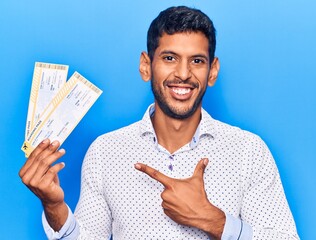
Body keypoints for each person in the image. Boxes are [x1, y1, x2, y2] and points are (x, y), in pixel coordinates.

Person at [19, 6, 299, 240]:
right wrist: (54, 206)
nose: (183, 74)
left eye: (197, 61)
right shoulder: (105, 152)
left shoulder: (248, 151)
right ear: (146, 65)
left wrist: (215, 221)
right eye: (169, 58)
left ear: (212, 71)